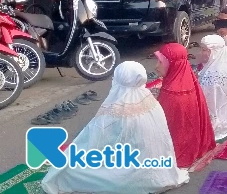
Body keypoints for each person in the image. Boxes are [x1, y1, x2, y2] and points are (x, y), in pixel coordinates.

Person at [41, 62, 190, 194]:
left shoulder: (116, 109)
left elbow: (95, 139)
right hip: (157, 164)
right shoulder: (151, 101)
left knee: (67, 171)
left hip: (130, 165)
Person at [155, 43, 216, 168]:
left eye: (160, 62)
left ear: (173, 64)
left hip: (178, 148)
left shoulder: (172, 93)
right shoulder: (188, 79)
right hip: (194, 142)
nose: (156, 66)